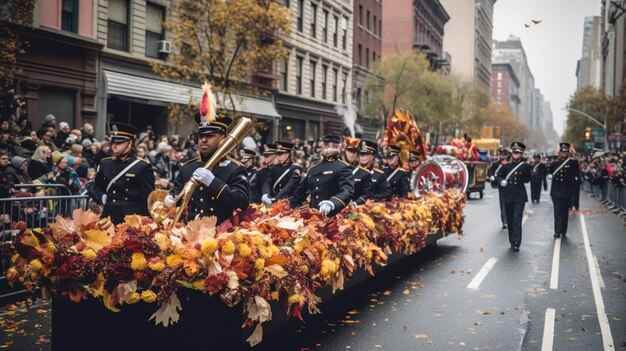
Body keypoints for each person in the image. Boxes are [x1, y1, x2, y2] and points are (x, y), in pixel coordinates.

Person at [164, 116, 249, 224]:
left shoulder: (235, 169)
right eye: (201, 136)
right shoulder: (188, 167)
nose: (203, 140)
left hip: (221, 234)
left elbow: (242, 202)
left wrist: (213, 183)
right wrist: (171, 197)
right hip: (191, 231)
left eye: (210, 136)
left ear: (223, 139)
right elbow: (178, 191)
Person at [86, 123, 155, 224]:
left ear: (130, 143)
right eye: (113, 142)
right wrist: (102, 197)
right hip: (108, 217)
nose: (114, 145)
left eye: (119, 142)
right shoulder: (105, 163)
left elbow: (148, 199)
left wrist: (146, 223)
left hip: (131, 220)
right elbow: (96, 186)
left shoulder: (142, 166)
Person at [290, 135, 354, 216]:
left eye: (334, 145)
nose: (329, 147)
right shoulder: (313, 168)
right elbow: (300, 192)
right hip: (313, 215)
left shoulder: (343, 167)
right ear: (322, 146)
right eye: (326, 145)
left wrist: (333, 202)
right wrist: (290, 208)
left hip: (334, 215)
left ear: (338, 147)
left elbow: (347, 191)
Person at [496, 142, 531, 252]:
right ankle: (512, 240)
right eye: (514, 152)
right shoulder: (506, 166)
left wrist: (528, 170)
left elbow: (527, 180)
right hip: (508, 196)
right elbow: (498, 176)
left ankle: (516, 242)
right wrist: (501, 181)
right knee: (510, 219)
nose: (516, 154)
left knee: (517, 219)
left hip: (519, 196)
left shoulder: (525, 166)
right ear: (512, 153)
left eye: (518, 153)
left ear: (521, 154)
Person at [547, 142, 580, 238]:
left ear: (568, 153)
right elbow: (549, 173)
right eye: (562, 152)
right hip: (556, 190)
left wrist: (574, 189)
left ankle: (563, 231)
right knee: (557, 211)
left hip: (567, 190)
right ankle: (557, 231)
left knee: (565, 212)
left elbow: (576, 174)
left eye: (565, 152)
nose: (564, 153)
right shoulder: (554, 164)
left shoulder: (573, 163)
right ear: (559, 153)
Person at [261, 141, 302, 206]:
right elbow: (268, 182)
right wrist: (265, 194)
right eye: (276, 153)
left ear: (287, 154)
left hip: (290, 203)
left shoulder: (296, 169)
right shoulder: (274, 168)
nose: (277, 156)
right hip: (275, 203)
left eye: (280, 154)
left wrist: (275, 199)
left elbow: (289, 187)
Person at [488, 149, 510, 229]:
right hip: (501, 185)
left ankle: (509, 220)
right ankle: (504, 222)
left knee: (510, 204)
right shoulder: (495, 164)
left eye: (503, 155)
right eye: (500, 154)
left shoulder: (509, 164)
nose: (502, 156)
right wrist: (491, 177)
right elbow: (491, 172)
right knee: (503, 204)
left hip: (510, 186)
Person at [350, 141, 373, 206]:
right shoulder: (343, 168)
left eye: (366, 155)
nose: (364, 157)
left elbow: (366, 194)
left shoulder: (365, 173)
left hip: (355, 207)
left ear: (371, 157)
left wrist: (355, 203)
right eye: (362, 155)